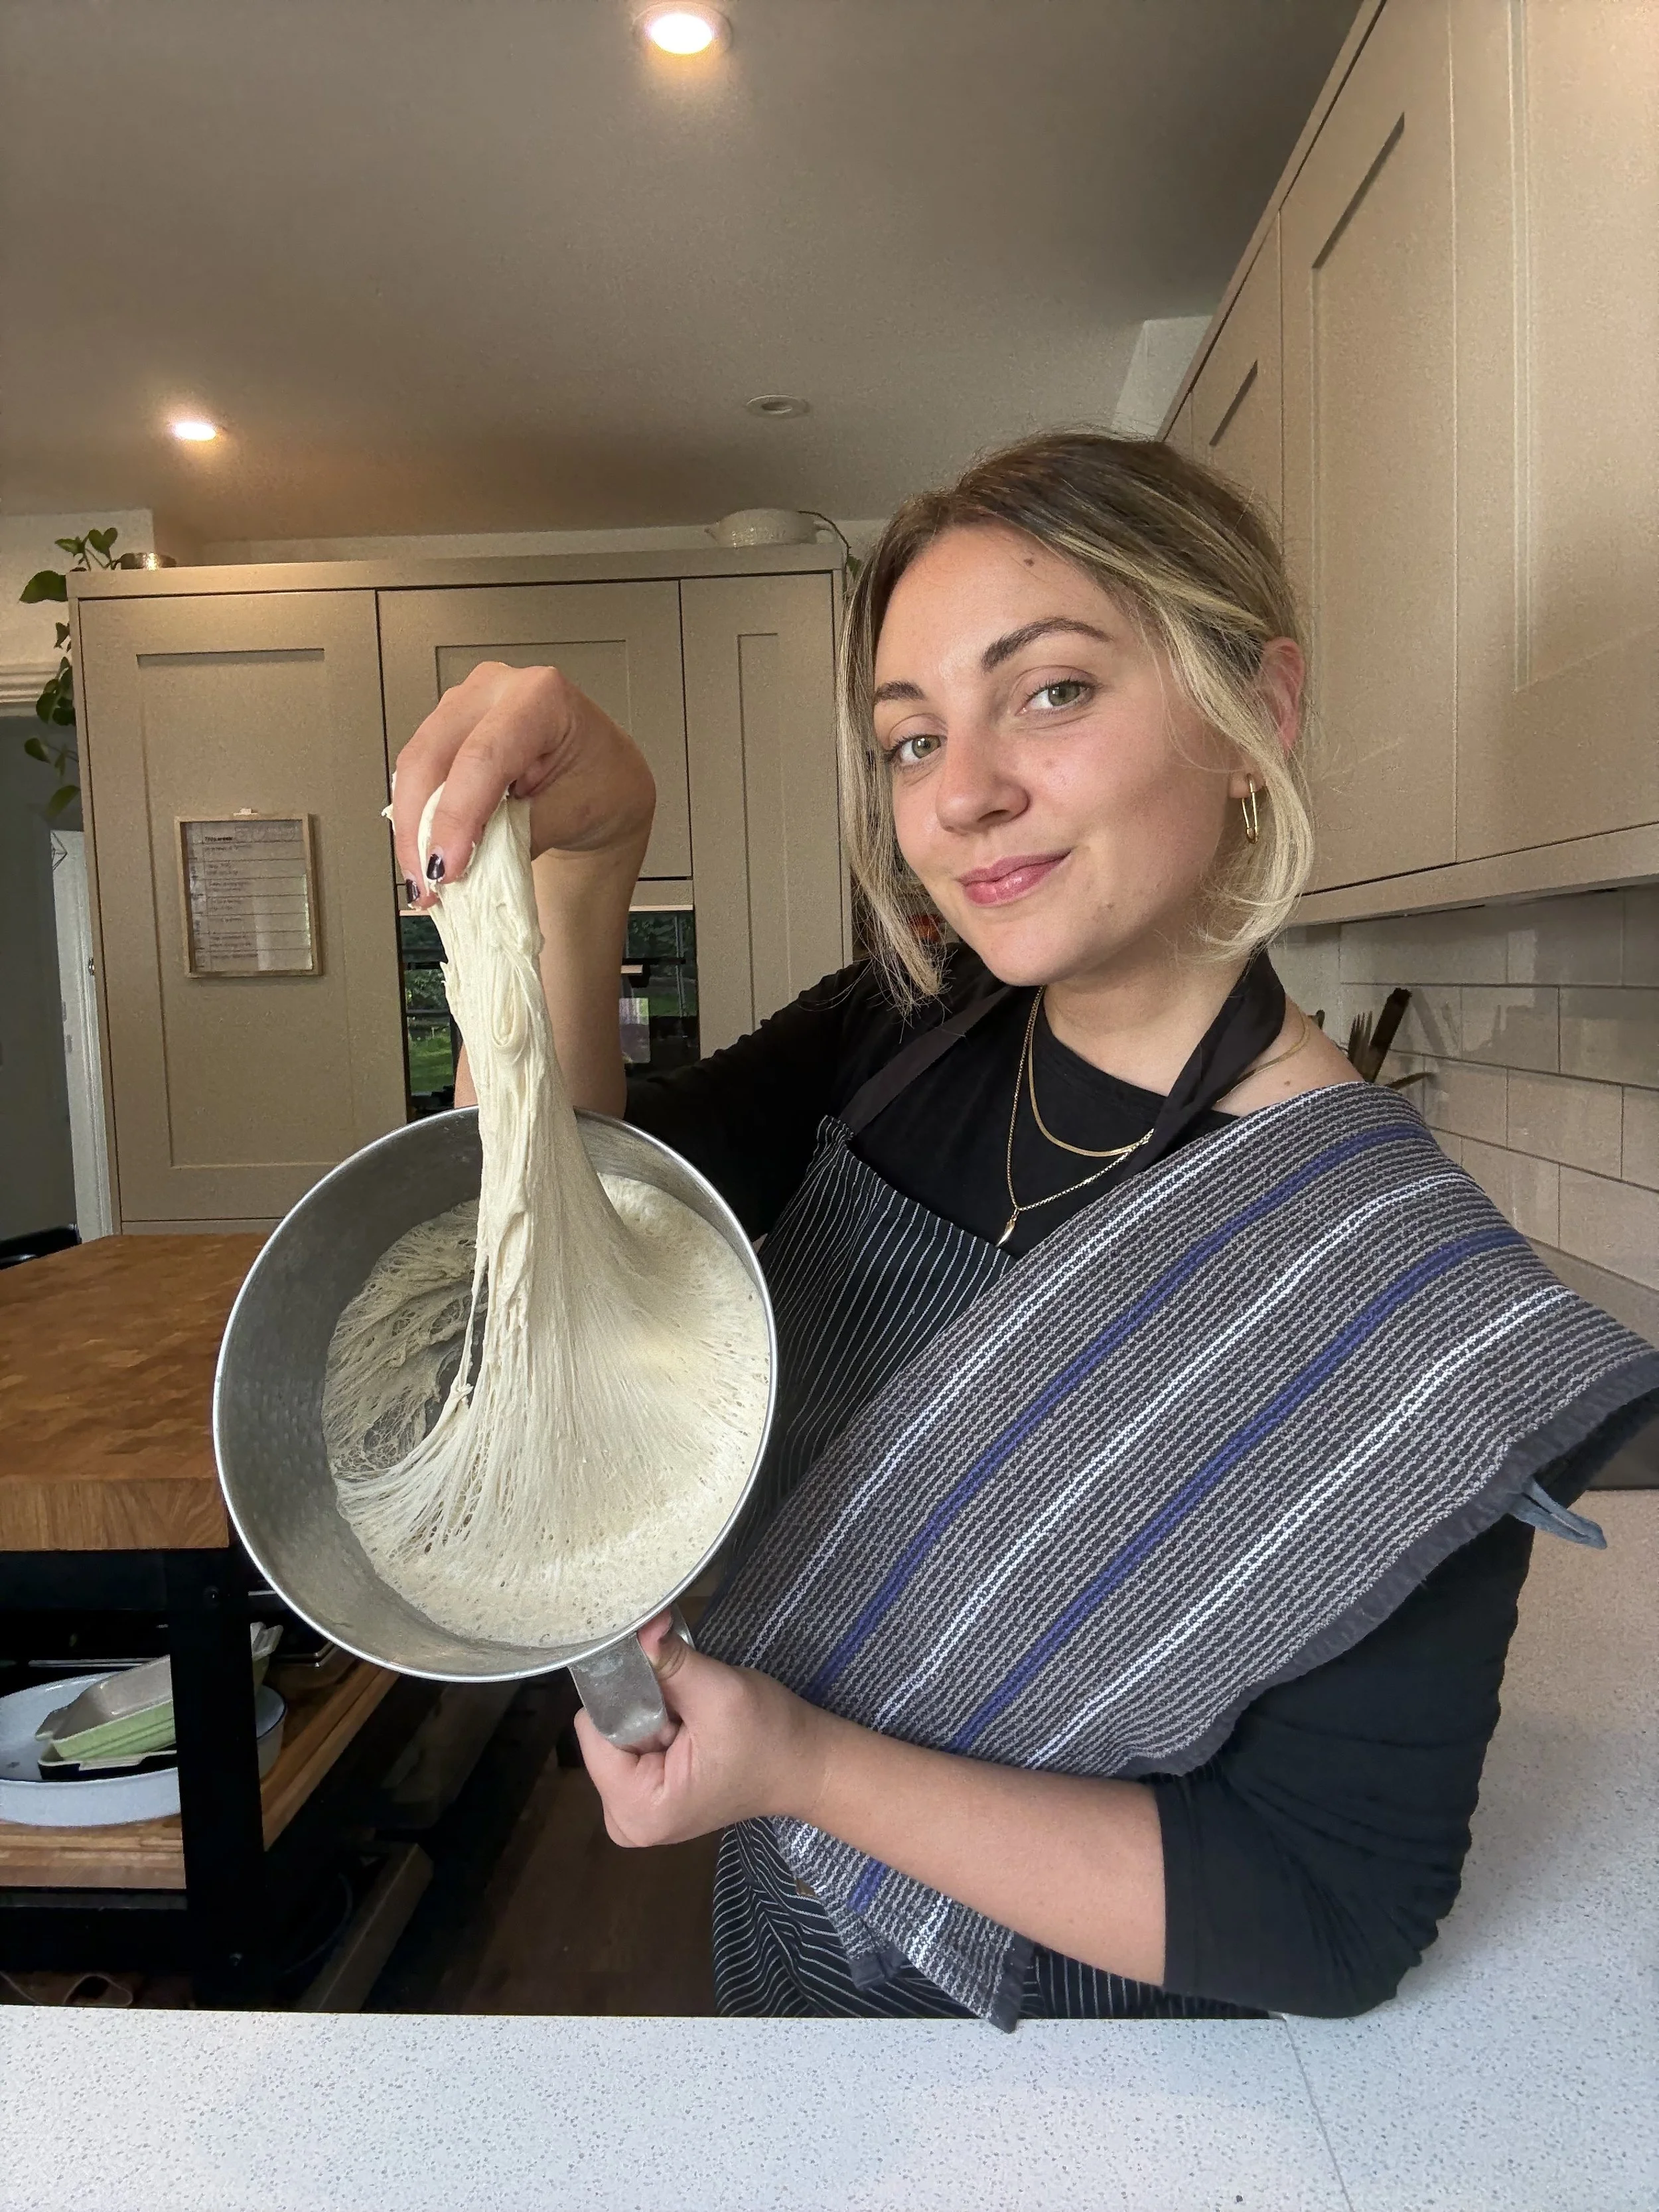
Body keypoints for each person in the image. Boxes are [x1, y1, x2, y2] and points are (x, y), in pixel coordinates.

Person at [390, 432, 1656, 2024]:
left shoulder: (1399, 1307)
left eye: (1049, 692)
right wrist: (583, 868)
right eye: (910, 739)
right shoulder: (897, 1033)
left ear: (1252, 712)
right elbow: (570, 1264)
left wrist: (799, 1763)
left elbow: (1328, 1913)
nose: (965, 793)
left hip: (1092, 2086)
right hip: (786, 1981)